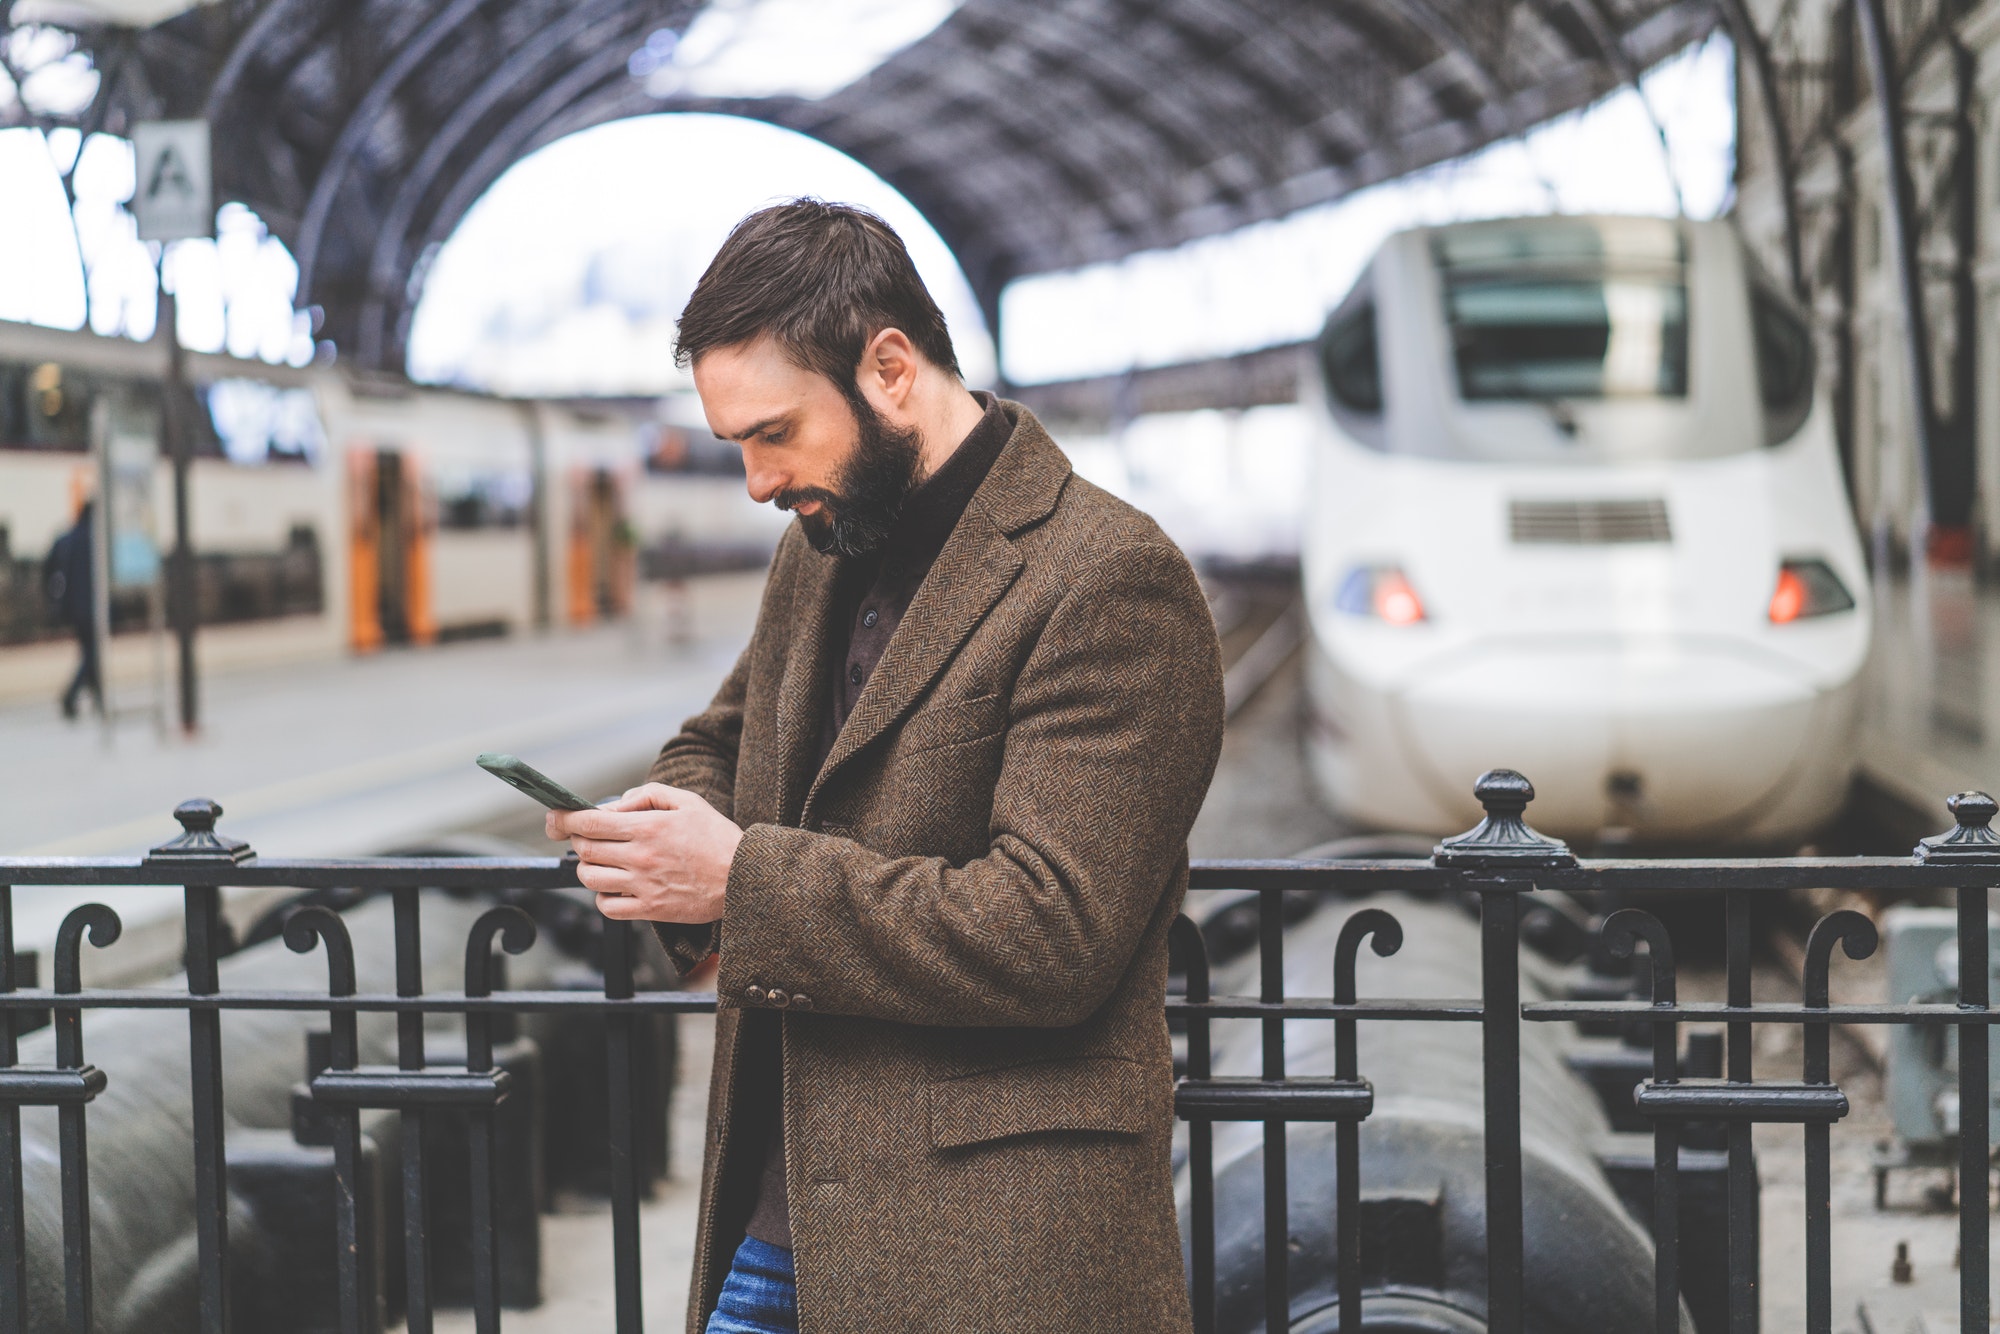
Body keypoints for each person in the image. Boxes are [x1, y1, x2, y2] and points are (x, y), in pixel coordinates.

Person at [547, 199, 1225, 1334]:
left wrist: (739, 881)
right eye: (739, 447)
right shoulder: (820, 547)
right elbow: (718, 740)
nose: (758, 482)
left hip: (990, 1253)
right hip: (773, 1222)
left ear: (891, 368)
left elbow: (1050, 931)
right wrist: (670, 830)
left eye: (774, 434)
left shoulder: (1107, 577)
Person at [44, 499, 100, 720]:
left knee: (90, 652)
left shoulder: (65, 539)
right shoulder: (96, 540)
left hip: (72, 608)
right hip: (92, 608)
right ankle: (71, 695)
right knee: (92, 654)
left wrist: (53, 597)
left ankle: (99, 698)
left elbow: (48, 569)